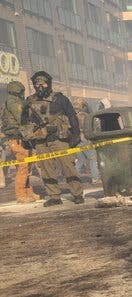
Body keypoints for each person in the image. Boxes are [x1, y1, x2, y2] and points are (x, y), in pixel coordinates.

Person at [24, 71, 83, 206]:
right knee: (46, 170)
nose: (40, 87)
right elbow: (25, 121)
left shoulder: (60, 99)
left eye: (43, 84)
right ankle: (54, 196)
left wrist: (75, 134)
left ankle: (77, 193)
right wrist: (26, 139)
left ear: (49, 84)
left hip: (60, 139)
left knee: (68, 167)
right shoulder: (30, 101)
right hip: (41, 141)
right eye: (37, 84)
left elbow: (72, 116)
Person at [0, 81, 40, 203]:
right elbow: (22, 118)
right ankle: (21, 194)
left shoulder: (12, 102)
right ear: (18, 91)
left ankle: (28, 191)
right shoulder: (14, 102)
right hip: (18, 138)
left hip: (21, 137)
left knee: (26, 166)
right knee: (23, 167)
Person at [72, 97, 100, 184]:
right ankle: (95, 178)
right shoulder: (85, 116)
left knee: (80, 160)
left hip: (77, 141)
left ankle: (74, 179)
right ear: (83, 106)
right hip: (86, 140)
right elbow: (93, 128)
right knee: (93, 159)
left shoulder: (73, 117)